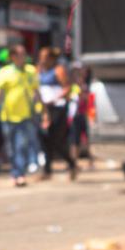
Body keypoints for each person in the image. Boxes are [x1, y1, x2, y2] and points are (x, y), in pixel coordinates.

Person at [0, 44, 40, 187]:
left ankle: (20, 174)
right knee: (10, 147)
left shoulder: (31, 71)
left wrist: (43, 111)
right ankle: (15, 172)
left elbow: (36, 92)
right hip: (7, 116)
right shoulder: (4, 72)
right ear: (12, 57)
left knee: (21, 145)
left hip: (26, 115)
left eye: (24, 54)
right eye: (20, 54)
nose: (23, 57)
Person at [36, 47, 78, 181]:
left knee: (56, 140)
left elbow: (67, 87)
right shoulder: (38, 70)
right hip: (43, 109)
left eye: (44, 57)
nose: (42, 60)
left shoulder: (58, 70)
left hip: (57, 108)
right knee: (44, 138)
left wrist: (54, 98)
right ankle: (47, 170)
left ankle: (72, 164)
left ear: (51, 58)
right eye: (41, 57)